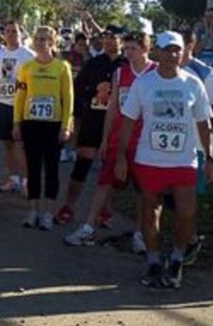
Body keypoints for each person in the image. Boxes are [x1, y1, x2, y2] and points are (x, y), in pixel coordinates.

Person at [113, 32, 213, 289]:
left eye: (176, 50)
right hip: (149, 158)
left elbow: (204, 125)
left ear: (182, 53)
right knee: (150, 211)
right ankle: (154, 261)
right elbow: (127, 122)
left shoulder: (193, 84)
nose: (172, 55)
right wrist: (121, 158)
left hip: (184, 160)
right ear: (156, 52)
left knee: (187, 211)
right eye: (167, 50)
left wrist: (210, 157)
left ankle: (178, 258)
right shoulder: (144, 84)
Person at [65, 31, 155, 248]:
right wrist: (105, 138)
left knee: (143, 190)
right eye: (126, 49)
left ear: (145, 49)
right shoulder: (120, 73)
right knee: (104, 182)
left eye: (133, 48)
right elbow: (112, 108)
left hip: (144, 140)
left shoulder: (156, 72)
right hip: (119, 137)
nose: (128, 53)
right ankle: (88, 226)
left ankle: (140, 234)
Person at [57, 26, 124, 225]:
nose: (109, 41)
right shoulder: (94, 63)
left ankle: (105, 210)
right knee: (82, 164)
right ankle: (68, 206)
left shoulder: (127, 64)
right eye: (105, 37)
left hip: (117, 123)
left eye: (113, 37)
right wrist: (94, 92)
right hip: (93, 120)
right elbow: (78, 89)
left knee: (109, 168)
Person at [12, 26, 73, 230]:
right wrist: (16, 123)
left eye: (45, 39)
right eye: (37, 38)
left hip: (53, 124)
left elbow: (68, 99)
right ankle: (32, 211)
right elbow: (20, 96)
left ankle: (48, 213)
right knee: (33, 168)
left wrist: (66, 125)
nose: (40, 42)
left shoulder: (62, 67)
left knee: (52, 169)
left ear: (52, 42)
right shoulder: (27, 67)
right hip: (31, 123)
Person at [176, 26, 213, 265]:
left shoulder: (205, 73)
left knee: (189, 198)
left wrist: (206, 133)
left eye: (176, 46)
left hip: (194, 147)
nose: (169, 52)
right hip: (167, 144)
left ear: (190, 46)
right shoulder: (163, 70)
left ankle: (190, 241)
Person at [0, 21, 34, 194]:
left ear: (20, 33)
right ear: (3, 34)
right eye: (7, 31)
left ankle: (26, 182)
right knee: (7, 145)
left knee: (20, 145)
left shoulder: (28, 55)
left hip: (21, 105)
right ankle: (13, 179)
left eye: (14, 31)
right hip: (2, 103)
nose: (10, 34)